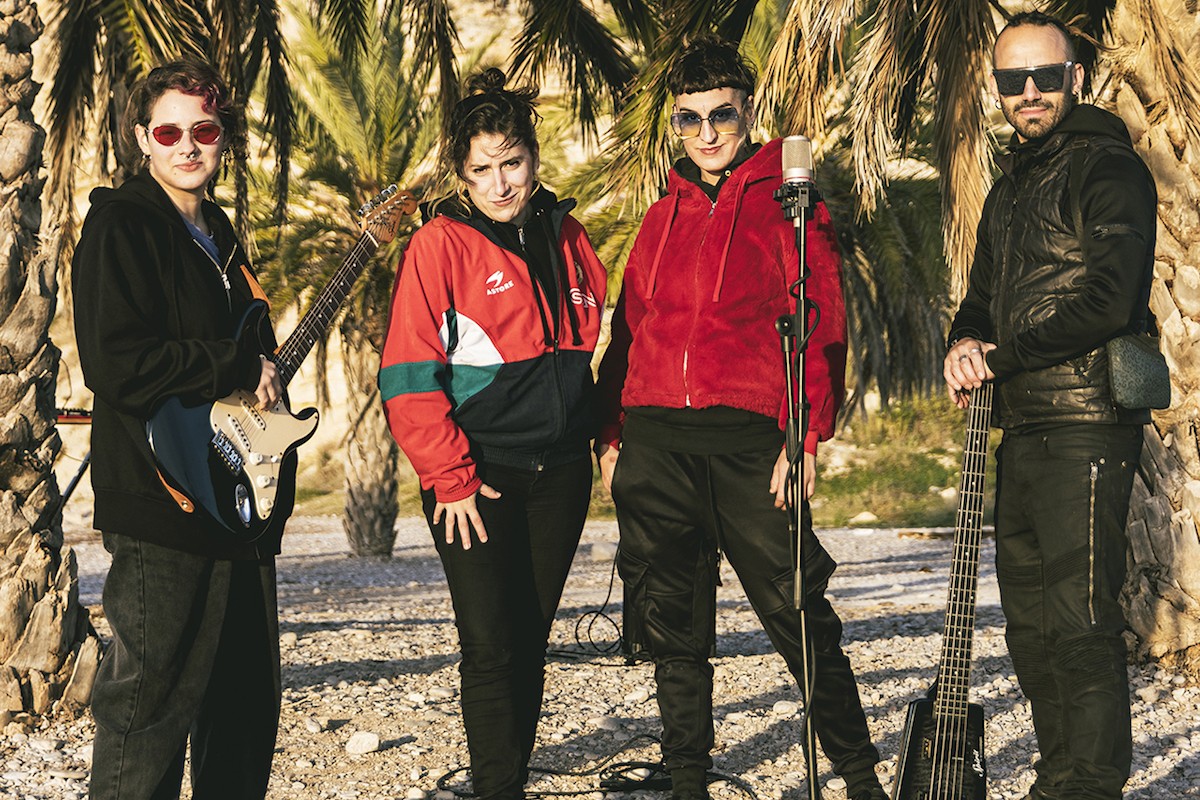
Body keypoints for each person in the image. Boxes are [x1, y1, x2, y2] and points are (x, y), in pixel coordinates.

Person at [595, 36, 887, 800]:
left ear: (749, 112)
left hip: (751, 447)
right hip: (656, 445)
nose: (707, 133)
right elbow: (629, 331)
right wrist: (611, 435)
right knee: (673, 628)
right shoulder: (660, 216)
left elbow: (819, 321)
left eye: (721, 115)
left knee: (800, 614)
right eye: (689, 119)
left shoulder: (790, 207)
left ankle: (861, 778)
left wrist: (805, 433)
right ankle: (687, 779)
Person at [943, 12, 1157, 800]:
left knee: (1081, 622)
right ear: (998, 88)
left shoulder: (1109, 167)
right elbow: (979, 303)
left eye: (1045, 76)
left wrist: (1002, 358)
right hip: (1021, 428)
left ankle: (1092, 785)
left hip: (1089, 423)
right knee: (1030, 629)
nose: (1028, 91)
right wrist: (964, 344)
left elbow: (1110, 299)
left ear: (1076, 77)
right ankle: (1058, 777)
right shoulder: (1010, 186)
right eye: (1012, 79)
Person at [378, 69, 607, 800]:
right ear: (462, 174)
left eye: (512, 163)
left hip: (561, 472)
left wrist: (605, 434)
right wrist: (451, 478)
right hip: (478, 477)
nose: (501, 183)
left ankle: (508, 781)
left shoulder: (568, 234)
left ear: (533, 157)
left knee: (531, 637)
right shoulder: (439, 245)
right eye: (482, 170)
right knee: (489, 642)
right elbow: (407, 376)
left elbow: (585, 351)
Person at [72, 60, 292, 798]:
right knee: (148, 707)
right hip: (160, 499)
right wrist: (234, 362)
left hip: (236, 497)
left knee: (244, 706)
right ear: (143, 139)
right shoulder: (121, 225)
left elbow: (246, 350)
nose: (188, 145)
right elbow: (115, 362)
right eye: (169, 132)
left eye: (204, 129)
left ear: (223, 136)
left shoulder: (218, 232)